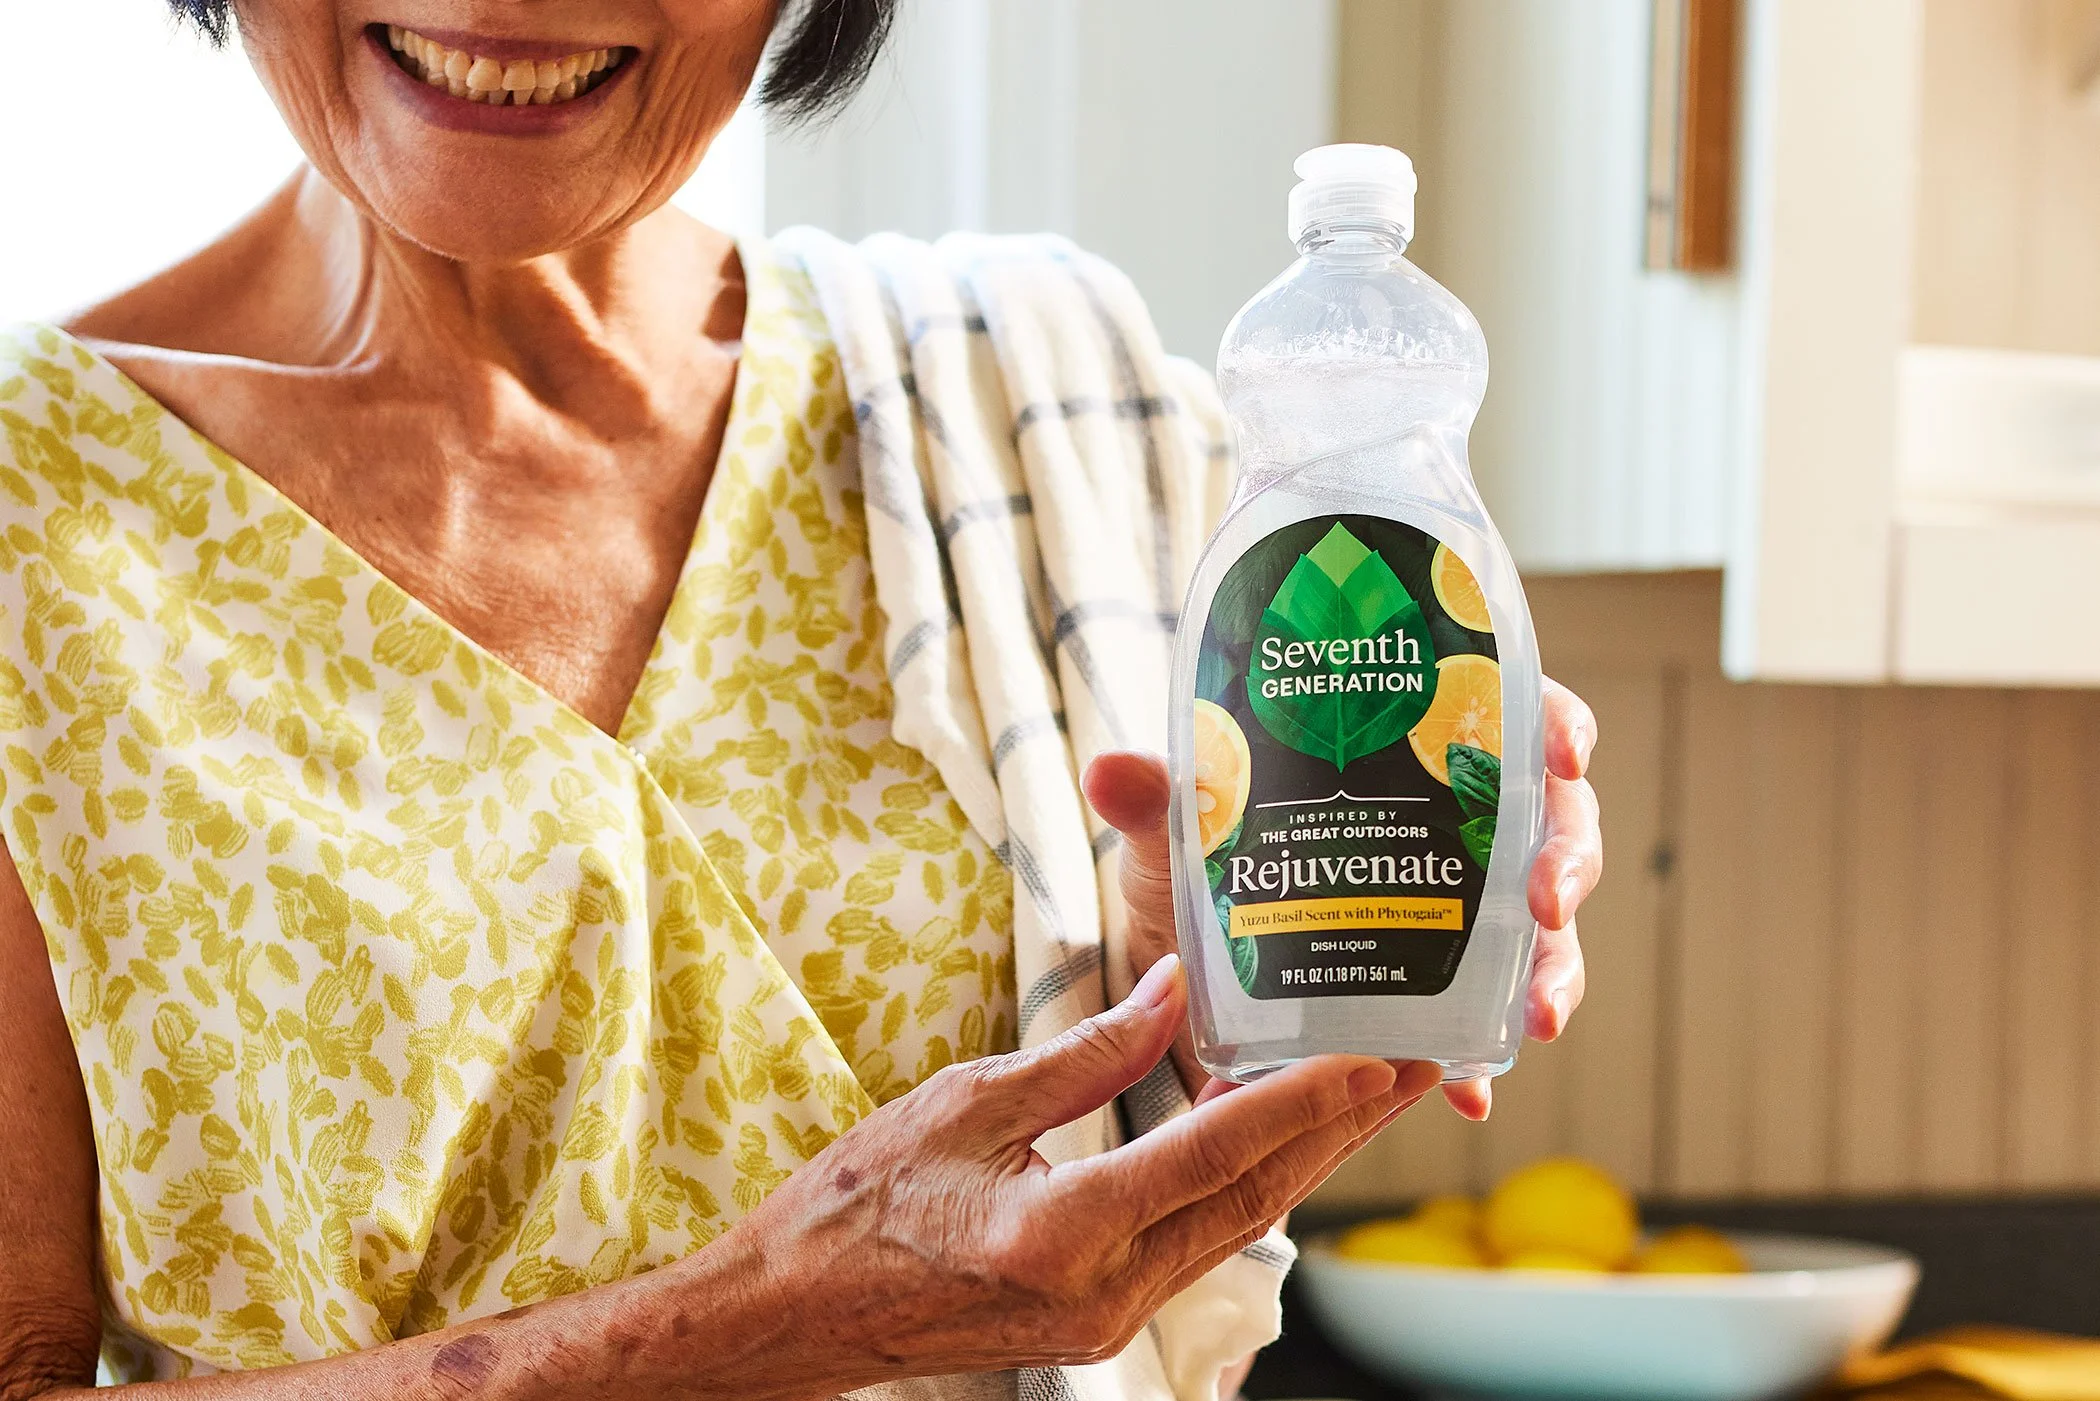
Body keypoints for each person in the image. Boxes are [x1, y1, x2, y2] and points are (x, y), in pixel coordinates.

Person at [0, 1, 1604, 1396]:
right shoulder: (30, 519)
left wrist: (1191, 1005)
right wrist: (752, 1329)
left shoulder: (1028, 403)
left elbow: (1179, 1066)